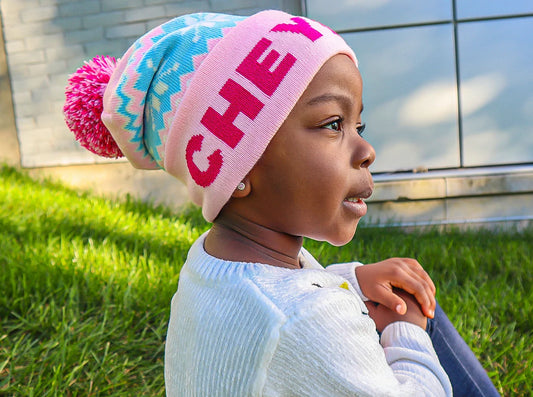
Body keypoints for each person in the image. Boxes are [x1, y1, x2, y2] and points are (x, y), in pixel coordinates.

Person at [64, 10, 500, 397]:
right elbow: (298, 318)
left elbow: (285, 299)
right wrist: (409, 332)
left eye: (357, 123)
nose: (366, 149)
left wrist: (353, 279)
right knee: (418, 309)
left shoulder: (214, 263)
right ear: (236, 171)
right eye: (334, 124)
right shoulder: (306, 322)